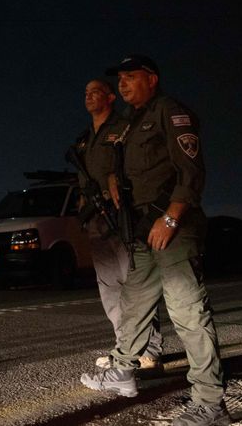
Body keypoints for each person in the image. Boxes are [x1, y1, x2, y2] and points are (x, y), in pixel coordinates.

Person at [80, 56, 228, 426]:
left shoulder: (171, 112)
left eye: (131, 77)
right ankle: (123, 370)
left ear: (152, 79)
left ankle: (210, 404)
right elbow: (129, 168)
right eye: (121, 79)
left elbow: (191, 172)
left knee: (187, 311)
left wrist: (171, 217)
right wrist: (115, 179)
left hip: (172, 224)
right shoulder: (131, 123)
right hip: (146, 226)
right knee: (133, 300)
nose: (124, 84)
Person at [75, 78, 163, 370]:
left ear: (110, 97)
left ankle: (149, 349)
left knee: (135, 285)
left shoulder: (124, 127)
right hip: (96, 219)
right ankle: (124, 346)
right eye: (86, 93)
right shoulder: (85, 139)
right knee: (109, 287)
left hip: (122, 215)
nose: (89, 97)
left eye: (95, 92)